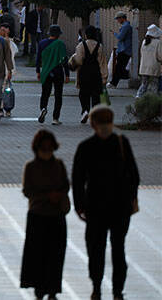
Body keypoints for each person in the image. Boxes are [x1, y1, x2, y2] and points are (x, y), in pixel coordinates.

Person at [72, 105, 140, 300]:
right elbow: (134, 175)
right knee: (117, 248)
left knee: (97, 248)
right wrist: (131, 197)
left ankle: (97, 288)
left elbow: (78, 179)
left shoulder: (87, 147)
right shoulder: (120, 142)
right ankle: (116, 291)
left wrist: (79, 205)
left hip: (96, 207)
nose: (104, 127)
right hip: (119, 207)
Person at [20, 130, 69, 300]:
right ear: (37, 148)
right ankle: (40, 289)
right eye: (44, 148)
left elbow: (66, 186)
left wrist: (59, 195)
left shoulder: (59, 165)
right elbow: (27, 191)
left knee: (56, 255)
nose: (47, 151)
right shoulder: (31, 167)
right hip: (38, 216)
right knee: (38, 255)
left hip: (56, 217)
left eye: (50, 148)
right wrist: (48, 196)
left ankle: (53, 290)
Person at [70, 26, 109, 123]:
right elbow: (102, 63)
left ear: (86, 35)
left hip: (84, 73)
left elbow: (78, 60)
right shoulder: (99, 46)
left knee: (83, 94)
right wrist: (104, 77)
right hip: (96, 74)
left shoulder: (81, 46)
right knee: (96, 95)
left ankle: (85, 111)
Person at [37, 25, 70, 126]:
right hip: (58, 72)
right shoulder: (60, 44)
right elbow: (64, 60)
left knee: (45, 93)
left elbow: (38, 58)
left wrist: (38, 71)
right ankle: (55, 118)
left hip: (46, 71)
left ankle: (43, 108)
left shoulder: (42, 43)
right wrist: (67, 74)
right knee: (58, 95)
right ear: (58, 35)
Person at [136, 24, 162, 98]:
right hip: (154, 66)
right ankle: (155, 99)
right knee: (154, 84)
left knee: (144, 83)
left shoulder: (144, 42)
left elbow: (141, 53)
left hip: (144, 66)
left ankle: (138, 96)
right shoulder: (158, 42)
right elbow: (160, 56)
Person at [109, 12, 133, 88]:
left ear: (122, 18)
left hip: (124, 50)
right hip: (125, 50)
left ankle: (113, 83)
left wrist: (114, 33)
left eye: (118, 19)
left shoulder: (126, 26)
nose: (117, 21)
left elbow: (120, 37)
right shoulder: (126, 26)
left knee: (118, 67)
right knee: (120, 67)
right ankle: (117, 81)